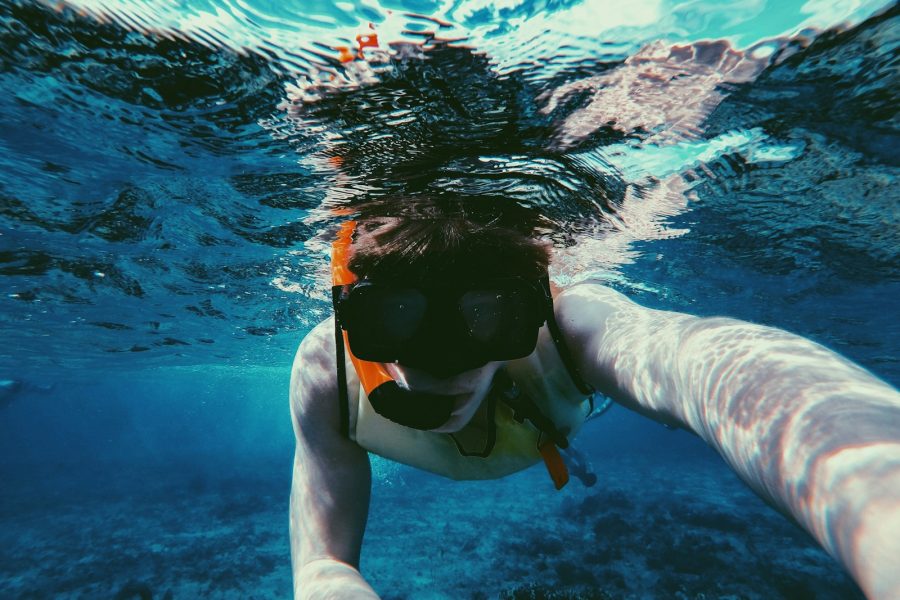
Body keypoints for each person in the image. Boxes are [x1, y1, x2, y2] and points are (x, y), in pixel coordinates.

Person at [288, 197, 900, 600]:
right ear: (353, 317)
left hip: (558, 405)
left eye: (488, 318)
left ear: (528, 309)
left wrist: (878, 500)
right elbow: (322, 566)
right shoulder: (326, 372)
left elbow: (705, 362)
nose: (444, 362)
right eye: (395, 318)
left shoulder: (569, 326)